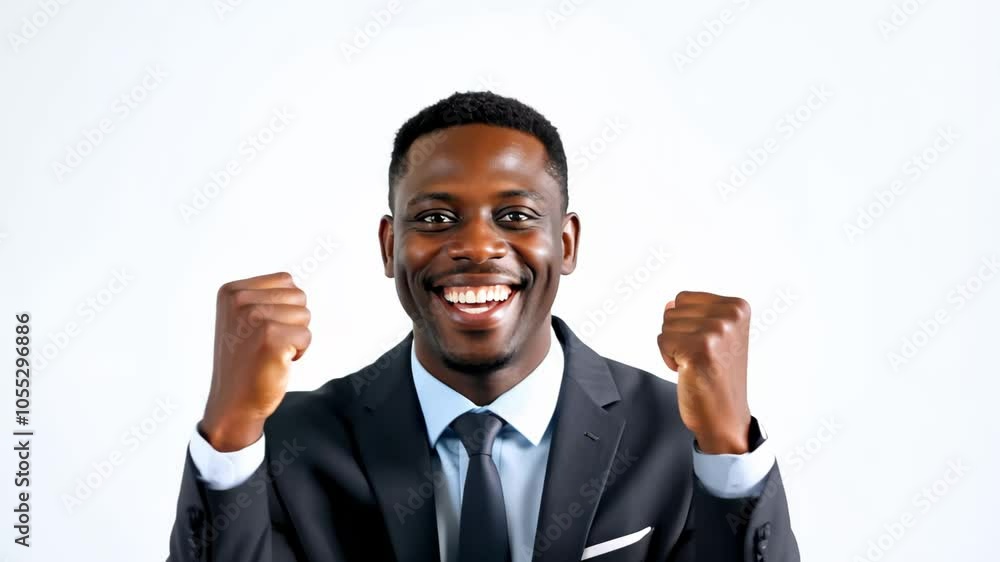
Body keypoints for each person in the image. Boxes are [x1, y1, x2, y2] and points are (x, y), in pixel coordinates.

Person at [168, 91, 799, 561]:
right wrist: (228, 435)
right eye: (437, 218)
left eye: (516, 214)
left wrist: (727, 453)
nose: (476, 245)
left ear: (567, 242)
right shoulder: (290, 445)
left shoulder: (676, 435)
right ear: (390, 247)